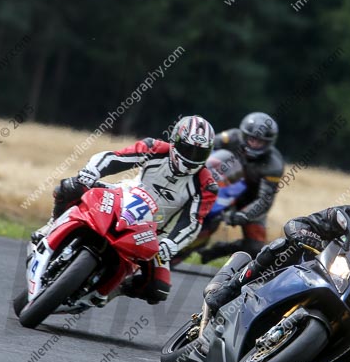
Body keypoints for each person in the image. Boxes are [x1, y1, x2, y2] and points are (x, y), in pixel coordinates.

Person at [204, 190, 350, 362]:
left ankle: (291, 361)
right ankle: (229, 289)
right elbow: (299, 224)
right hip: (312, 268)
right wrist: (304, 235)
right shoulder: (346, 217)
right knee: (281, 247)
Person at [32, 115, 218, 304]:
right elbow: (113, 158)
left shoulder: (206, 184)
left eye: (199, 154)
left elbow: (193, 222)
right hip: (122, 198)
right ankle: (50, 227)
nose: (191, 158)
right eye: (188, 149)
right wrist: (91, 172)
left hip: (154, 235)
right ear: (174, 142)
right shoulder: (155, 148)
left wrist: (170, 245)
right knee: (70, 187)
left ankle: (113, 290)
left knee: (158, 289)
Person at [198, 112, 284, 262]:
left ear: (269, 142)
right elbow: (204, 148)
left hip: (250, 201)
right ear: (244, 135)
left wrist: (244, 214)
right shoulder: (230, 137)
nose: (255, 144)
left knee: (255, 248)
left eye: (260, 142)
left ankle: (220, 250)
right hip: (220, 189)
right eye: (252, 139)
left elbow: (265, 200)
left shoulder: (274, 165)